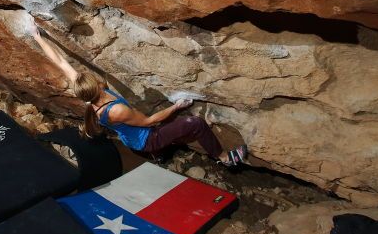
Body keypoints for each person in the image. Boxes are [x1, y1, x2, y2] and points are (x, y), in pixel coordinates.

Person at [27, 17, 248, 167]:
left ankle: (160, 154)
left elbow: (60, 62)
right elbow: (150, 121)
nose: (94, 75)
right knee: (195, 124)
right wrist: (177, 106)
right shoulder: (116, 111)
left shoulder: (85, 91)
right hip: (146, 139)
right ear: (97, 86)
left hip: (132, 136)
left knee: (172, 133)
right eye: (95, 78)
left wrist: (37, 36)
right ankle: (223, 157)